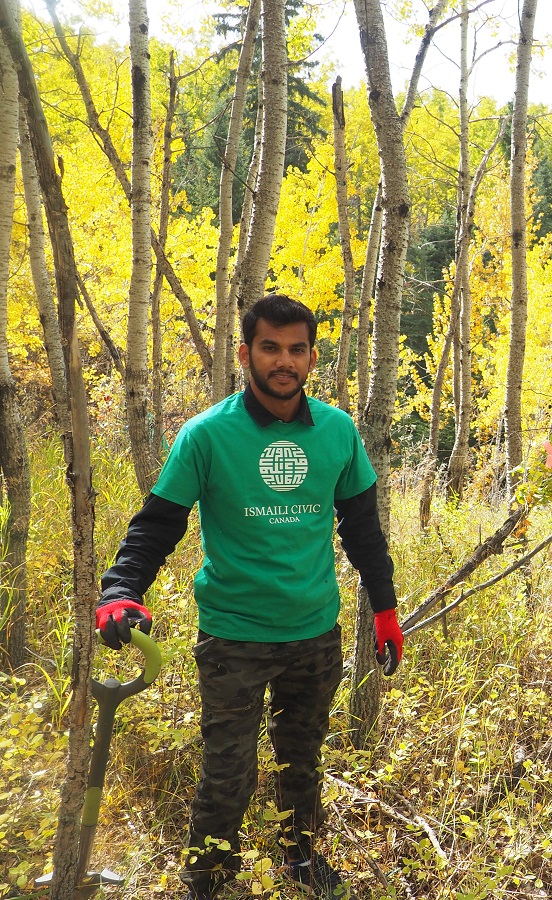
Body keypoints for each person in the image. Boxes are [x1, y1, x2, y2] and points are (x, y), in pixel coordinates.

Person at [96, 294, 404, 900]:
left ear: (312, 357)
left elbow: (363, 530)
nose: (283, 361)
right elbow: (157, 525)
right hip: (233, 636)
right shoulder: (207, 435)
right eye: (270, 347)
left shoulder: (339, 433)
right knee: (227, 774)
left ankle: (301, 864)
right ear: (246, 353)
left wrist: (386, 610)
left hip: (315, 632)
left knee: (303, 761)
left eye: (296, 349)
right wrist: (121, 589)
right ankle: (207, 879)